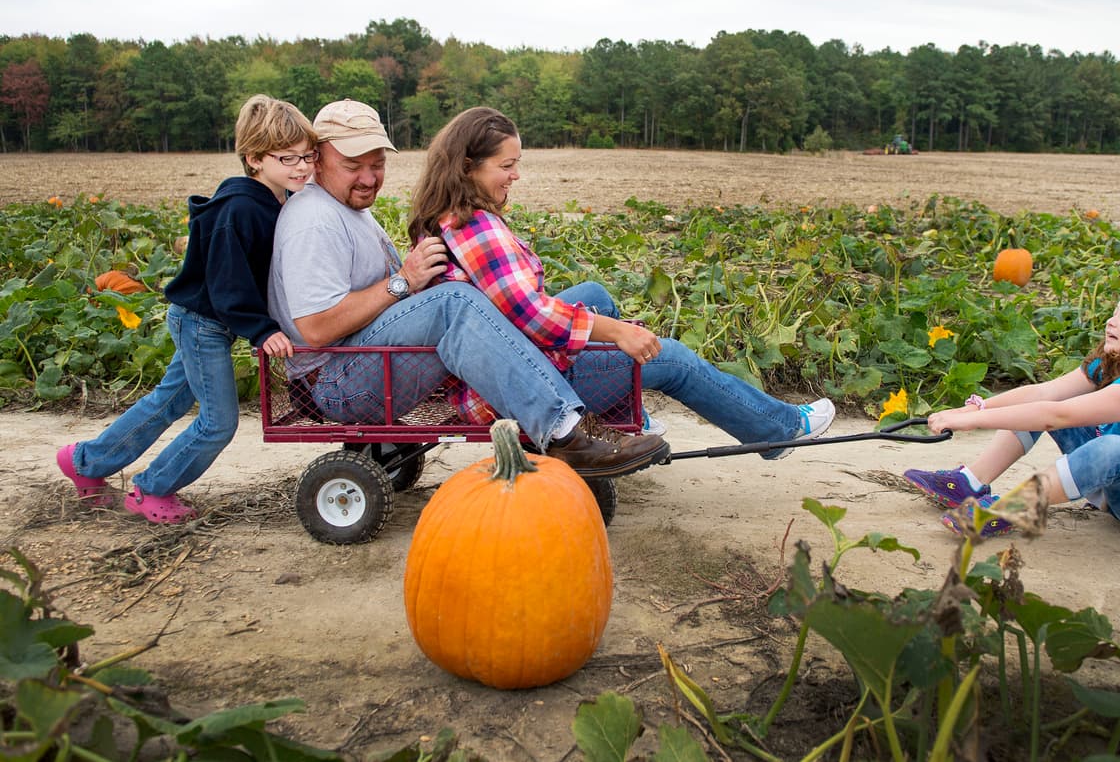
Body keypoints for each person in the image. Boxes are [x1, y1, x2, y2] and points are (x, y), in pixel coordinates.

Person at [267, 99, 669, 479]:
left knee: (591, 296)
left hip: (363, 361)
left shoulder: (349, 209)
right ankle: (563, 433)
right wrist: (403, 282)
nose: (369, 178)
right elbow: (316, 328)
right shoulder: (315, 221)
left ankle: (605, 414)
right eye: (353, 165)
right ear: (317, 158)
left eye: (377, 164)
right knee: (455, 301)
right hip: (337, 385)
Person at [404, 106, 835, 458]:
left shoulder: (448, 215)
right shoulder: (476, 228)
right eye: (507, 165)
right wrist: (619, 333)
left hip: (492, 359)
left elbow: (512, 311)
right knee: (673, 360)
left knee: (593, 294)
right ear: (468, 166)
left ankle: (623, 410)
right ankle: (780, 430)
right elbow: (533, 319)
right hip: (504, 389)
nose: (516, 175)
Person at [57, 95, 315, 524]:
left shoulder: (272, 202)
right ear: (253, 158)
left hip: (207, 321)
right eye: (288, 157)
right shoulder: (239, 210)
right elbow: (227, 283)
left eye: (308, 156)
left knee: (168, 402)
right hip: (203, 323)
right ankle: (152, 489)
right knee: (218, 423)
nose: (302, 167)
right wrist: (261, 330)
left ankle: (85, 462)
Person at [904, 284, 1120, 562]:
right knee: (1047, 405)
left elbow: (1059, 417)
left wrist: (977, 422)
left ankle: (1007, 510)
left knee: (1112, 447)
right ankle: (970, 482)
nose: (1112, 322)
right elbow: (1046, 392)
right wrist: (976, 408)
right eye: (1115, 313)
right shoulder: (1113, 364)